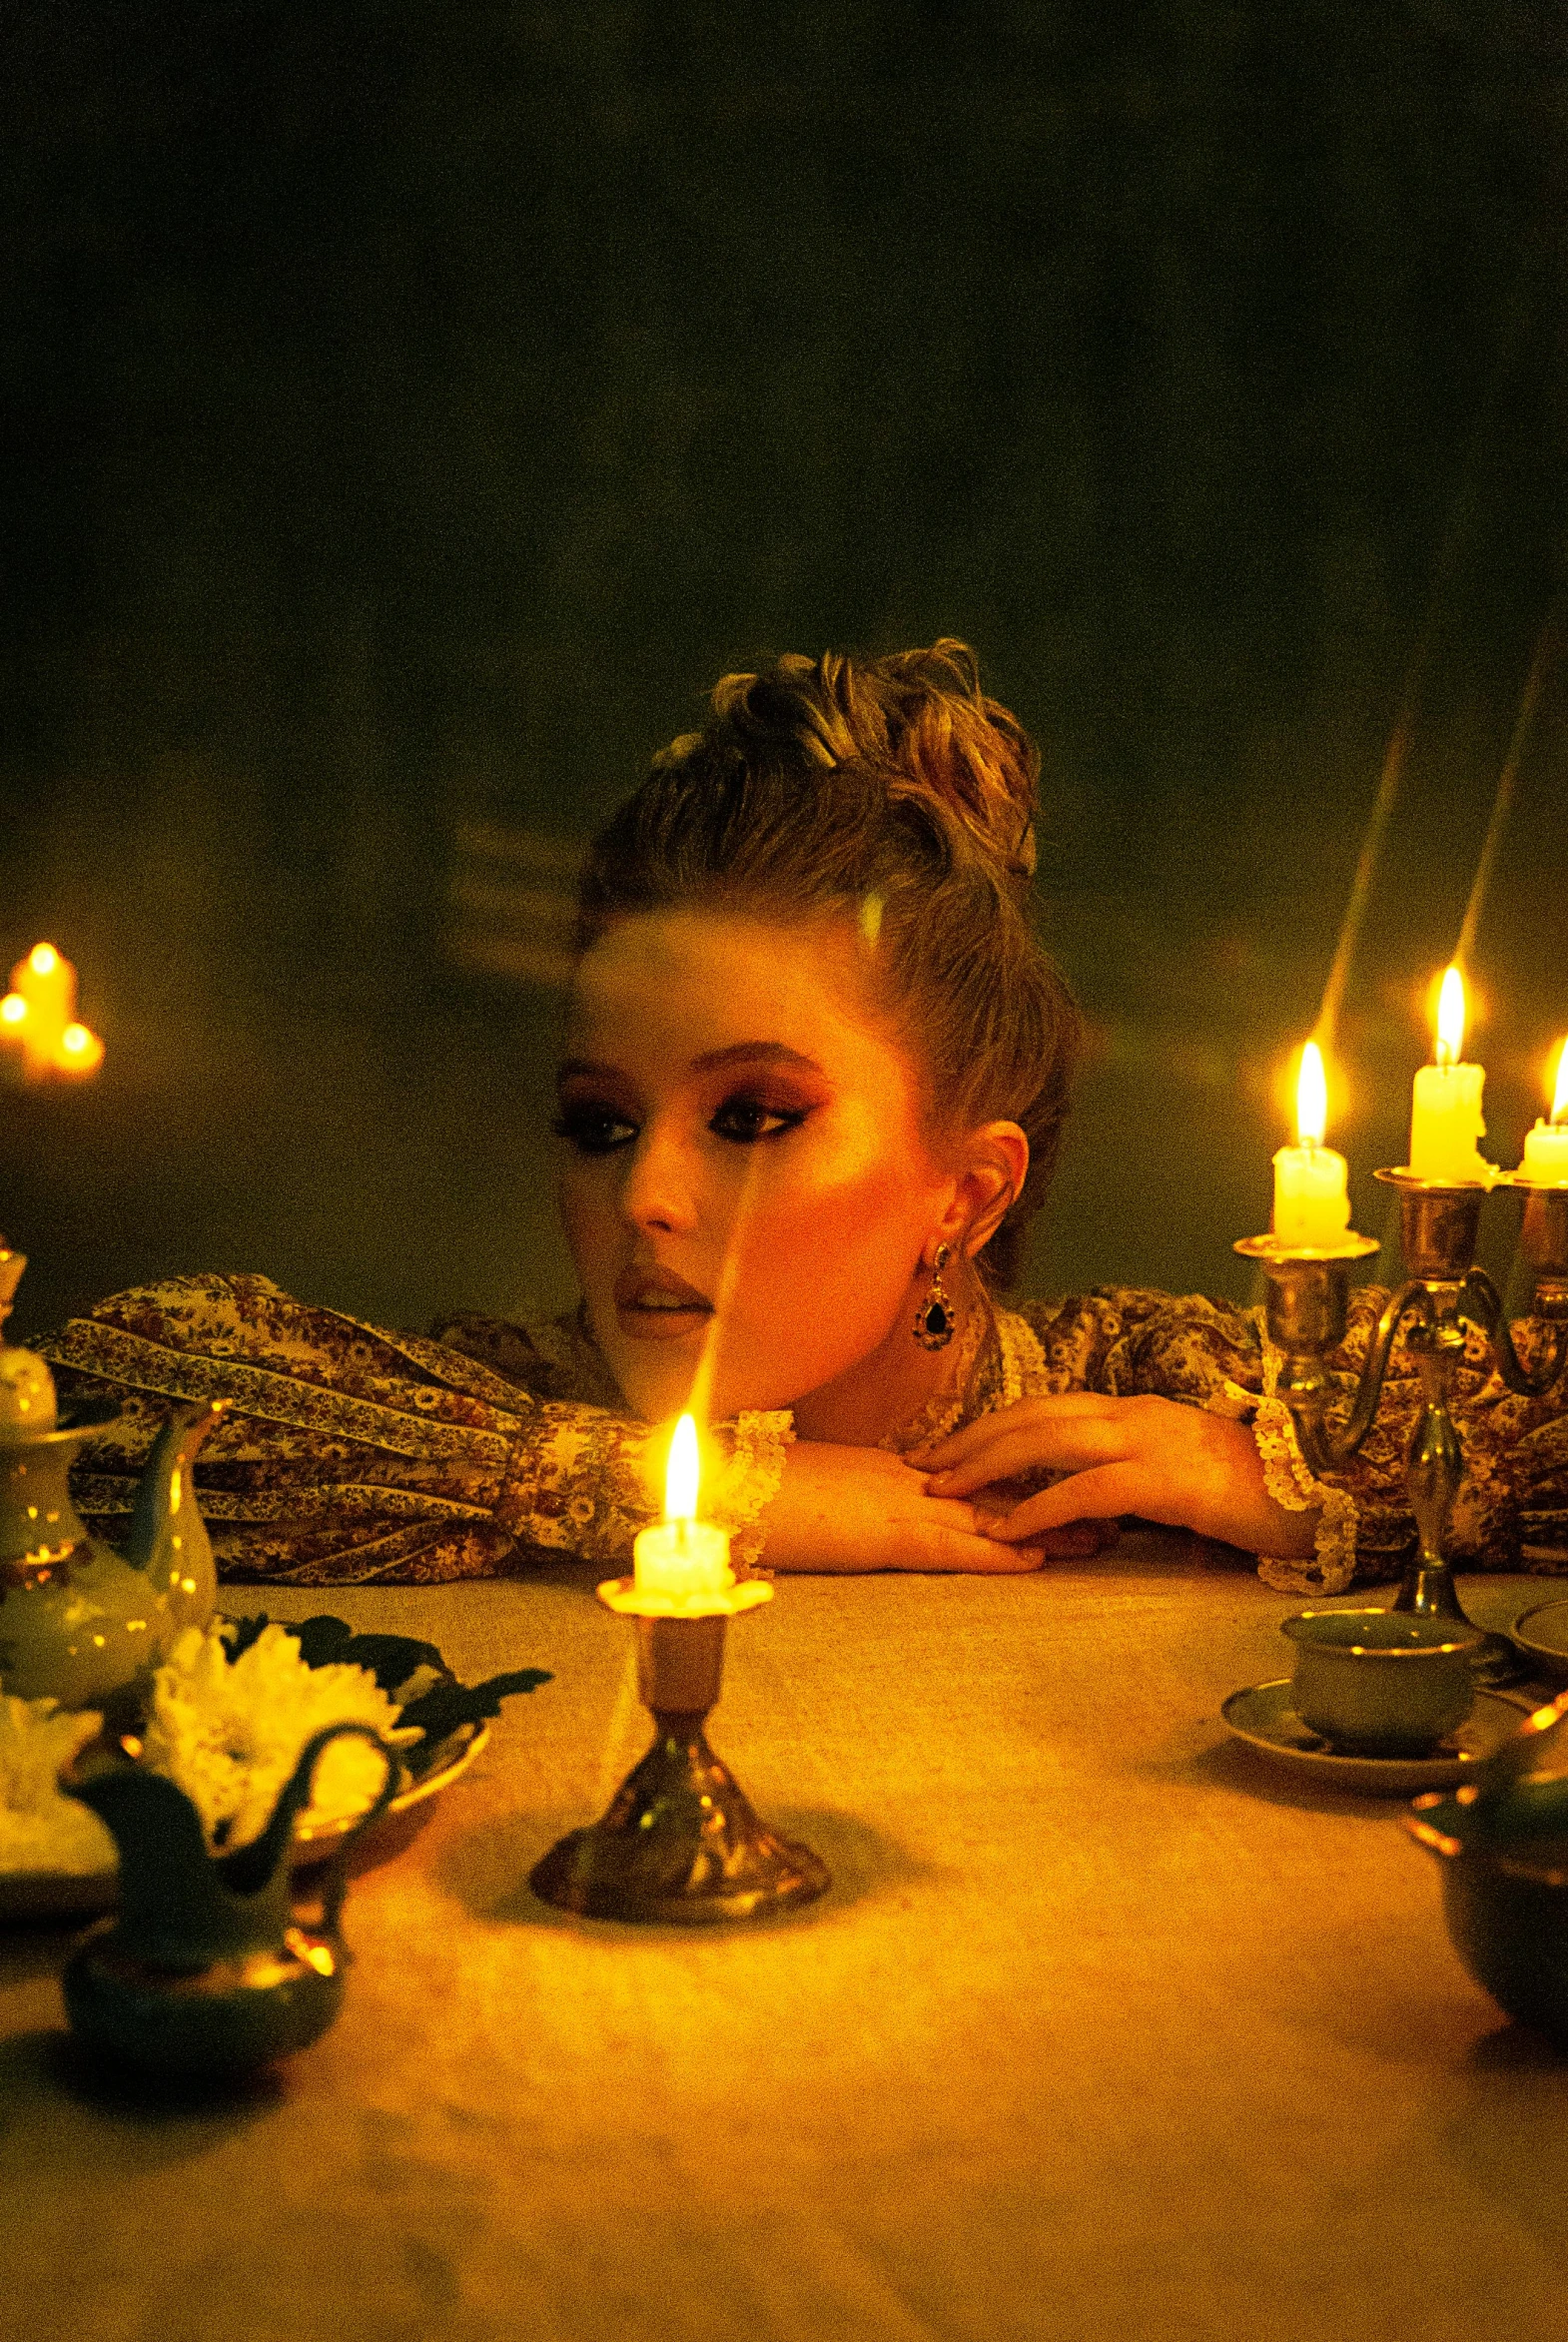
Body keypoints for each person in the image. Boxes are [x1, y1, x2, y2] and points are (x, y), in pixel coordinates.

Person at [43, 643, 1567, 1595]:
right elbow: (103, 1398)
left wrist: (1291, 1490)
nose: (641, 1195)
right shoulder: (499, 1411)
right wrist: (711, 1488)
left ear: (963, 1194)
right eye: (598, 1120)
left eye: (752, 1115)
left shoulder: (1135, 1403)